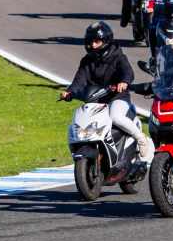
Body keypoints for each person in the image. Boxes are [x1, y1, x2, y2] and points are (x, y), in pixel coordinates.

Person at [64, 22, 153, 166]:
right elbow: (79, 81)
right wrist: (69, 92)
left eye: (97, 41)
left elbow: (127, 72)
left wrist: (124, 82)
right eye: (90, 42)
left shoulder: (118, 57)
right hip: (96, 100)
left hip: (117, 98)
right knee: (80, 123)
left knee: (115, 117)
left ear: (106, 41)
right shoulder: (87, 61)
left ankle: (140, 138)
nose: (93, 45)